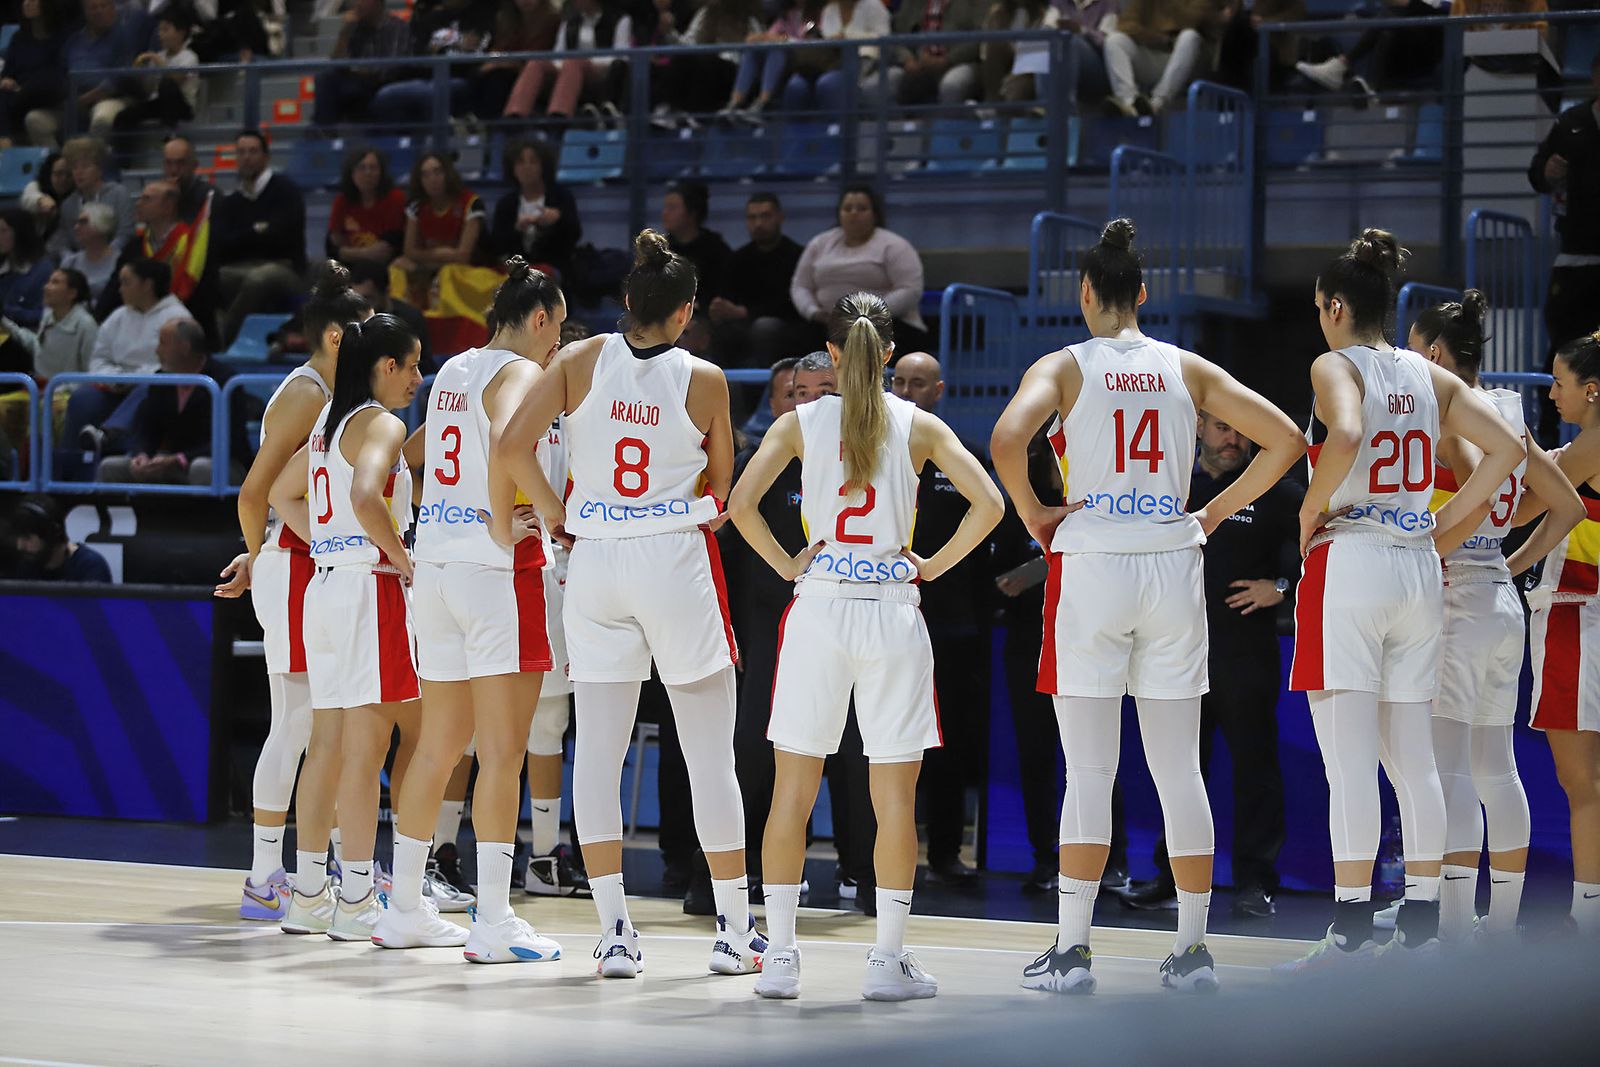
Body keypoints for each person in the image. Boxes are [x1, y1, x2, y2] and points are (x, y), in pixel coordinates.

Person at [990, 217, 1306, 995]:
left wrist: (1034, 511)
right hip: (1172, 563)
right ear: (1142, 294)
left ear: (1087, 294)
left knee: (1091, 770)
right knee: (1179, 771)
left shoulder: (1065, 365)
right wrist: (1211, 511)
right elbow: (1289, 439)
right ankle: (1193, 953)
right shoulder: (1186, 366)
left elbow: (1005, 437)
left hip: (1094, 563)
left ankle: (1072, 951)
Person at [495, 230, 760, 979]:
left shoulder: (578, 359)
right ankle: (736, 933)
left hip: (596, 559)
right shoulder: (705, 378)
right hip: (672, 557)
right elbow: (720, 491)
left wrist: (557, 512)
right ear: (685, 313)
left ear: (625, 303)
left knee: (599, 752)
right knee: (711, 754)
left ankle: (613, 932)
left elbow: (513, 443)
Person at [733, 292, 1002, 1001]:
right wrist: (935, 564)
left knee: (792, 791)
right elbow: (993, 504)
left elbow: (737, 505)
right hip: (889, 609)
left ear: (829, 355)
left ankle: (783, 957)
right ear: (889, 354)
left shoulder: (800, 421)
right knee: (892, 798)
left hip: (818, 606)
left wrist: (788, 561)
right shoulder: (918, 423)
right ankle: (886, 961)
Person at [1276, 230, 1525, 975]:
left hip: (1349, 557)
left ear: (1336, 306)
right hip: (1420, 567)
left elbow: (1346, 432)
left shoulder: (1332, 363)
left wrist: (1309, 508)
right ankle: (1420, 929)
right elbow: (1508, 453)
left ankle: (1350, 936)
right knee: (1413, 759)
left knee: (1349, 761)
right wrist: (1446, 524)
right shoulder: (1428, 373)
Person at [374, 261, 568, 961]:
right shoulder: (519, 373)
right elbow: (512, 448)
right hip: (494, 572)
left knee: (437, 745)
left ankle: (402, 907)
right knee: (503, 752)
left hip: (437, 568)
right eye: (559, 325)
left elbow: (413, 449)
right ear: (540, 318)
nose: (558, 345)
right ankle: (492, 920)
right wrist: (529, 514)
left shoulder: (453, 367)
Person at [1399, 292, 1581, 941]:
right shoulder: (1512, 409)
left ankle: (1450, 930)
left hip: (1458, 600)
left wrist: (1421, 550)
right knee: (1495, 770)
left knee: (1449, 774)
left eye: (1416, 351)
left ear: (1439, 353)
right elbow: (1566, 506)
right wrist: (1514, 560)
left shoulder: (1452, 416)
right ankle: (1497, 928)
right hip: (1500, 599)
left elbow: (1474, 497)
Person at [214, 267, 373, 925]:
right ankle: (263, 876)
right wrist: (261, 553)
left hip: (299, 559)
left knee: (324, 724)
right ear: (335, 336)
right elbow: (259, 493)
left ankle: (326, 860)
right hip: (296, 563)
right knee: (301, 721)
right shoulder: (308, 395)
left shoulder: (324, 389)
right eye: (360, 334)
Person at [267, 313, 424, 942]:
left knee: (328, 746)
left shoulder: (328, 425)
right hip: (368, 588)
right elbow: (366, 497)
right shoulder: (382, 423)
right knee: (373, 749)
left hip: (325, 584)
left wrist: (331, 544)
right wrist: (400, 556)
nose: (417, 377)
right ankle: (359, 897)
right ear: (385, 366)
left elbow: (282, 496)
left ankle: (310, 893)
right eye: (410, 364)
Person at [1121, 409, 1301, 918]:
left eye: (1242, 431)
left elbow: (1313, 551)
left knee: (1255, 768)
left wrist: (1281, 588)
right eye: (1224, 428)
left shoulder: (1274, 490)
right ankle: (1169, 877)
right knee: (1176, 768)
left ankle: (1256, 881)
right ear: (1198, 426)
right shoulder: (1173, 484)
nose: (1234, 439)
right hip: (1175, 651)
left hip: (1246, 652)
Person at [890, 351, 993, 886]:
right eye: (898, 381)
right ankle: (877, 858)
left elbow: (988, 538)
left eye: (918, 383)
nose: (907, 391)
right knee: (886, 742)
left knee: (948, 743)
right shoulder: (872, 449)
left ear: (939, 391)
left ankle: (947, 852)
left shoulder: (961, 456)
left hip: (951, 624)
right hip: (884, 617)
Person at [1525, 329, 1600, 935]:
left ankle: (1587, 918)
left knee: (1582, 782)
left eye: (1558, 381)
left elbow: (1518, 506)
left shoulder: (1589, 447)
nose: (1551, 393)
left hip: (1581, 615)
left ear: (1592, 391)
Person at [1529, 52, 1600, 443]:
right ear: (1594, 78)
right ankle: (1546, 437)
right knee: (1561, 350)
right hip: (1575, 260)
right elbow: (1538, 172)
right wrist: (1547, 172)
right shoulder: (1571, 123)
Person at [62, 258, 192, 448]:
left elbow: (174, 365)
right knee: (83, 399)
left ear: (147, 285)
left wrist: (133, 379)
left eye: (126, 282)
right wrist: (114, 378)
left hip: (156, 388)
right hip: (116, 386)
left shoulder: (177, 318)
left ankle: (110, 433)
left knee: (148, 388)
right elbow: (99, 357)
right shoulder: (118, 316)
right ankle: (71, 467)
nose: (120, 289)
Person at [791, 185, 929, 356]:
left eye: (862, 208)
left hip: (884, 323)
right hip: (827, 324)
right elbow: (801, 286)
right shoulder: (820, 243)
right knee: (796, 337)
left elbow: (910, 289)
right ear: (839, 213)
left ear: (875, 214)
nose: (854, 213)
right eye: (847, 208)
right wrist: (814, 312)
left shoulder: (894, 246)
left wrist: (869, 314)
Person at [95, 318, 226, 486]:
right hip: (168, 460)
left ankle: (206, 513)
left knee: (202, 468)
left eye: (163, 344)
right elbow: (147, 428)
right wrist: (142, 455)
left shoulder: (223, 381)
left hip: (216, 460)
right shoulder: (161, 380)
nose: (157, 351)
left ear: (184, 348)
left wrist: (179, 459)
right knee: (110, 467)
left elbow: (228, 442)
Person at [211, 130, 307, 345]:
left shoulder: (286, 190)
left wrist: (244, 237)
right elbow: (222, 245)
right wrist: (255, 231)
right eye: (241, 152)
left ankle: (223, 341)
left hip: (286, 268)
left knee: (259, 278)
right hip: (242, 266)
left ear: (266, 156)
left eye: (253, 151)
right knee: (211, 275)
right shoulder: (232, 201)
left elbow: (282, 238)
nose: (246, 157)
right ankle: (210, 334)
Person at [710, 193, 805, 369]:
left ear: (780, 218)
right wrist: (718, 308)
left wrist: (745, 313)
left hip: (786, 326)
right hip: (742, 325)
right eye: (752, 218)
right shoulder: (737, 258)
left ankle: (767, 391)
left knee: (765, 329)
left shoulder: (797, 256)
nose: (758, 224)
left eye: (765, 216)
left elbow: (793, 303)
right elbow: (726, 295)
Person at [502, 0, 633, 121]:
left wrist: (587, 61)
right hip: (569, 70)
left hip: (603, 71)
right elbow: (558, 54)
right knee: (537, 63)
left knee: (574, 62)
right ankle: (515, 113)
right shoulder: (569, 23)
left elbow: (620, 56)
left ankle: (559, 115)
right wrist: (562, 65)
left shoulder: (620, 19)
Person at [395, 152, 485, 309]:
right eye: (425, 175)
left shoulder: (471, 202)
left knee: (449, 273)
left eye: (437, 172)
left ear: (448, 174)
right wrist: (442, 253)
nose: (432, 179)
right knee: (397, 267)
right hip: (428, 267)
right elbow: (409, 251)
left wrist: (425, 259)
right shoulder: (416, 206)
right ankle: (399, 316)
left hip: (464, 271)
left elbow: (463, 256)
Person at [488, 139, 581, 284]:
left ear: (543, 166)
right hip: (515, 270)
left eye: (533, 161)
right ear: (512, 169)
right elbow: (496, 246)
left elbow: (574, 236)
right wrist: (517, 229)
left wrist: (558, 220)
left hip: (552, 269)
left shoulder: (561, 197)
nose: (527, 167)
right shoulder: (507, 203)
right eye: (520, 162)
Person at [313, 0, 412, 128]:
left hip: (384, 84)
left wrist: (359, 70)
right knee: (325, 77)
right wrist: (345, 32)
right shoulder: (356, 27)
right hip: (359, 82)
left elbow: (392, 69)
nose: (357, 4)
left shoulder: (397, 27)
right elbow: (336, 63)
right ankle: (323, 132)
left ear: (378, 3)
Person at [1101, 0, 1209, 117]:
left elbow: (1193, 20)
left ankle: (1156, 104)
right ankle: (1129, 103)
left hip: (1184, 60)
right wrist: (1156, 38)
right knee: (1114, 40)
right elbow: (1125, 25)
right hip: (1154, 52)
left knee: (1190, 36)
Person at [56, 0, 142, 142]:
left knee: (101, 118)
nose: (99, 11)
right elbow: (61, 71)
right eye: (93, 8)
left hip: (112, 98)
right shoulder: (74, 40)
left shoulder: (123, 38)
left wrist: (85, 99)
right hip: (74, 99)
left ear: (113, 9)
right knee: (37, 121)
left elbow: (119, 78)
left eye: (104, 6)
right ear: (85, 12)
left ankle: (93, 161)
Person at [111, 8, 200, 142]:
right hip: (158, 103)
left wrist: (156, 60)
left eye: (165, 30)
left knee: (167, 84)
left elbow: (177, 79)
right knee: (124, 116)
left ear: (181, 33)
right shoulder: (159, 56)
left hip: (182, 106)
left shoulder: (189, 57)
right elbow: (150, 88)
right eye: (159, 30)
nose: (160, 35)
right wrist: (140, 73)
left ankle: (170, 135)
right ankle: (122, 158)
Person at [718, 0, 813, 121]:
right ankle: (735, 103)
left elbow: (810, 41)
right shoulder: (788, 14)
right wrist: (759, 38)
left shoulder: (814, 15)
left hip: (805, 59)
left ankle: (762, 104)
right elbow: (769, 37)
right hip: (783, 57)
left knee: (777, 51)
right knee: (753, 51)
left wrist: (782, 39)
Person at [0, 268, 97, 381]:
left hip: (65, 392)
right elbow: (37, 346)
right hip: (39, 387)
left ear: (72, 293)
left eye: (55, 282)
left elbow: (91, 372)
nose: (46, 287)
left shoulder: (86, 325)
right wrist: (3, 321)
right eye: (49, 282)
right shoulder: (48, 316)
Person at [47, 137, 135, 260]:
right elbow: (63, 240)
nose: (79, 172)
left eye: (85, 166)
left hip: (115, 259)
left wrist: (108, 253)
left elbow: (126, 233)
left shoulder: (118, 193)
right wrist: (69, 257)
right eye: (74, 167)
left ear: (99, 170)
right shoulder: (69, 204)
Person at [473, 0, 562, 120]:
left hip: (533, 71)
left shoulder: (553, 20)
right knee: (478, 74)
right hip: (505, 65)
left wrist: (504, 62)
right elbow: (499, 47)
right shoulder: (505, 19)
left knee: (498, 79)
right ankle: (474, 122)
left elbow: (537, 52)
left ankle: (495, 124)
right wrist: (494, 59)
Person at [343, 258, 434, 373]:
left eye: (368, 298)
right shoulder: (349, 318)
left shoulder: (410, 318)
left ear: (387, 291)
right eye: (356, 298)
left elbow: (425, 365)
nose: (361, 305)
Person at [889, 0, 986, 107]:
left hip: (961, 62)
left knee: (952, 85)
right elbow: (896, 36)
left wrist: (948, 60)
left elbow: (981, 37)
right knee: (878, 86)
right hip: (918, 62)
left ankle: (951, 122)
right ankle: (904, 123)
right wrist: (907, 59)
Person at [325, 147, 408, 268]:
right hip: (349, 266)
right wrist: (364, 253)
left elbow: (385, 252)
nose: (367, 173)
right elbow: (333, 247)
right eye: (361, 168)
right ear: (351, 173)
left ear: (381, 173)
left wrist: (347, 252)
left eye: (373, 168)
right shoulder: (341, 201)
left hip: (384, 266)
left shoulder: (395, 198)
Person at [0, 0, 67, 147]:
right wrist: (6, 79)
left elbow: (56, 75)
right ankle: (6, 141)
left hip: (47, 95)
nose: (27, 3)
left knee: (27, 93)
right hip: (17, 94)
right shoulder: (19, 38)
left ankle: (14, 140)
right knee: (4, 95)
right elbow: (8, 71)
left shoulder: (60, 38)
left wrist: (24, 88)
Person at [2, 495, 111, 582]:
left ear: (52, 534)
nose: (20, 546)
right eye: (19, 538)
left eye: (27, 538)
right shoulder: (27, 566)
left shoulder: (89, 566)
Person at [662, 181, 732, 314]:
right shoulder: (661, 249)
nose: (665, 213)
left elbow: (722, 295)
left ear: (692, 212)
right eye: (665, 207)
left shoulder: (716, 250)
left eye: (672, 208)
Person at [0, 208, 53, 330]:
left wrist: (7, 312)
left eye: (3, 231)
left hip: (25, 335)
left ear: (20, 233)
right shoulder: (4, 264)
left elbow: (47, 315)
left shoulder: (43, 271)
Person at [62, 204, 121, 308]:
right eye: (76, 222)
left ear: (102, 225)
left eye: (83, 222)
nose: (76, 227)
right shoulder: (70, 262)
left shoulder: (120, 262)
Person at [19, 151, 72, 248]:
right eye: (59, 174)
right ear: (49, 173)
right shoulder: (36, 186)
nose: (64, 179)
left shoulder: (77, 196)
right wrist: (41, 200)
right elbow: (28, 198)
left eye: (69, 175)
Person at [161, 136, 214, 226]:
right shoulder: (157, 197)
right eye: (168, 163)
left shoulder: (210, 196)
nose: (174, 170)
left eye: (181, 163)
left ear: (194, 165)